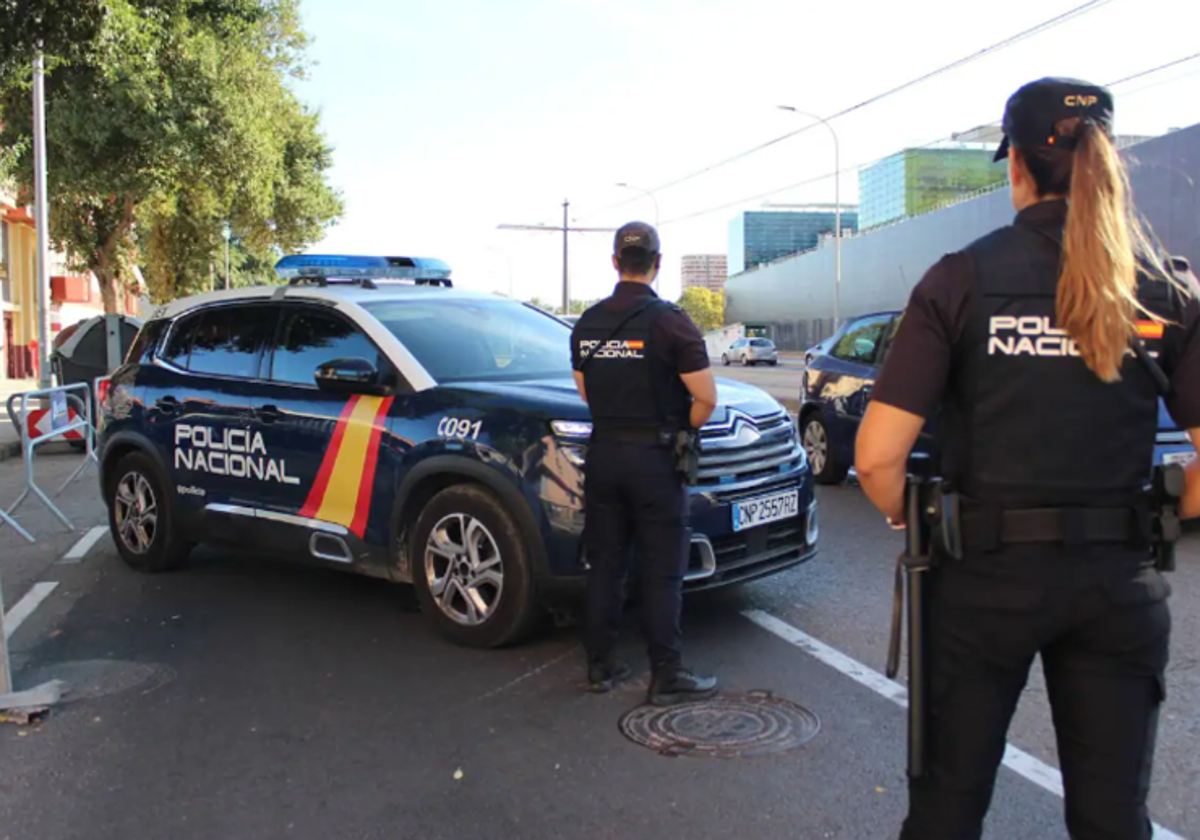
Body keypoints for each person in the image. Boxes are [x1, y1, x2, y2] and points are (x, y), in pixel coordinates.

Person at [854, 77, 1200, 840]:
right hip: (1119, 584)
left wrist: (896, 512)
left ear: (1015, 164)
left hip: (982, 583)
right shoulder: (1166, 288)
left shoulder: (961, 278)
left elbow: (878, 459)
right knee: (1113, 819)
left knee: (947, 809)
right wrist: (1161, 512)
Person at [569, 220, 719, 706]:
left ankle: (600, 665)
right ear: (657, 263)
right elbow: (706, 399)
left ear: (616, 262)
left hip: (605, 453)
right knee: (662, 569)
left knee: (606, 563)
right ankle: (667, 675)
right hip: (654, 460)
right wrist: (682, 430)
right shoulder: (672, 322)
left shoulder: (587, 323)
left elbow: (586, 392)